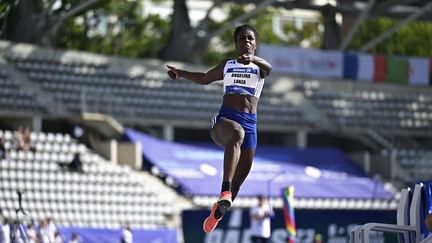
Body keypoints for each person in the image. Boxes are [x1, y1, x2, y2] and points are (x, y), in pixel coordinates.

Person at [167, 24, 272, 233]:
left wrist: (253, 59)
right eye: (242, 38)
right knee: (236, 135)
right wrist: (180, 73)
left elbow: (268, 68)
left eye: (250, 38)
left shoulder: (260, 67)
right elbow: (205, 78)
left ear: (255, 44)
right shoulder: (228, 64)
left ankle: (217, 212)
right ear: (236, 44)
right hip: (225, 120)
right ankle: (224, 191)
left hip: (251, 125)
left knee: (238, 184)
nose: (246, 41)